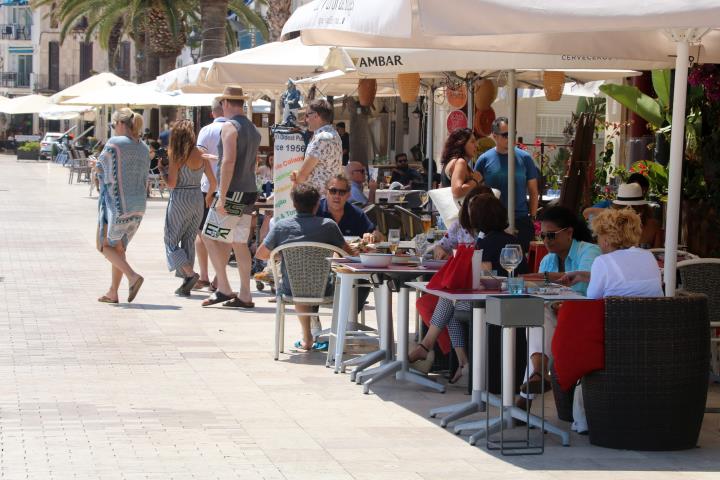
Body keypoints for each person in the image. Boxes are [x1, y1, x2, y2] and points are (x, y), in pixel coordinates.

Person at [409, 192, 528, 387]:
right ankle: (462, 361)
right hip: (509, 298)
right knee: (451, 306)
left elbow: (481, 273)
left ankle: (428, 345)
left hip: (492, 302)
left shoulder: (484, 242)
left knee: (449, 299)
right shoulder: (512, 240)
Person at [560, 208, 663, 433]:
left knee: (569, 339)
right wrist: (586, 274)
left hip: (613, 343)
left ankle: (582, 420)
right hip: (649, 340)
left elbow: (592, 300)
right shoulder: (649, 258)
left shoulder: (602, 262)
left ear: (606, 238)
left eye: (598, 236)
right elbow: (624, 282)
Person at [256, 183, 355, 351]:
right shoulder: (328, 225)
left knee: (298, 280)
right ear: (317, 204)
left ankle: (307, 336)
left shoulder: (282, 227)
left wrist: (286, 254)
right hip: (324, 289)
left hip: (291, 290)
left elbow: (261, 254)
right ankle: (338, 336)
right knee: (324, 280)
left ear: (294, 204)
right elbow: (349, 255)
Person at [519, 205, 601, 406]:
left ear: (569, 232)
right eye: (543, 236)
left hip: (585, 317)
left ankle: (527, 394)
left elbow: (584, 279)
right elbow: (540, 293)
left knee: (538, 316)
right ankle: (539, 373)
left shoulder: (588, 250)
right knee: (537, 312)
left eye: (552, 235)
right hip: (556, 315)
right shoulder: (548, 260)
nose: (546, 241)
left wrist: (542, 278)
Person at [202, 86, 261, 309]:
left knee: (209, 236)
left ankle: (224, 287)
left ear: (226, 103)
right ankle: (245, 294)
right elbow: (247, 160)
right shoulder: (253, 129)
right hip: (248, 190)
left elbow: (229, 162)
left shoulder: (230, 126)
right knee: (239, 242)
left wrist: (222, 196)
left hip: (233, 191)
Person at [95, 108, 150, 304]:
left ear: (120, 124)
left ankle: (132, 276)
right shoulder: (143, 147)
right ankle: (113, 292)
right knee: (118, 249)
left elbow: (100, 168)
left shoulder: (115, 144)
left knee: (104, 246)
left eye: (113, 125)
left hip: (117, 204)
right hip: (138, 206)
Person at [164, 120, 217, 296]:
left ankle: (190, 273)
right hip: (197, 198)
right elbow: (213, 182)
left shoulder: (176, 156)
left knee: (171, 240)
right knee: (188, 240)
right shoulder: (201, 154)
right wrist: (208, 196)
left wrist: (162, 172)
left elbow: (171, 184)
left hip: (180, 197)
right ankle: (187, 282)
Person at [474, 117, 539, 252]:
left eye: (513, 134)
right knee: (492, 261)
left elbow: (533, 190)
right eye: (506, 135)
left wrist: (532, 217)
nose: (510, 138)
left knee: (519, 261)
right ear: (494, 136)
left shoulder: (525, 159)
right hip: (491, 221)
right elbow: (476, 191)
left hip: (520, 219)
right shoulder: (484, 160)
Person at [194, 99, 227, 290]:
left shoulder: (206, 130)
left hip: (207, 186)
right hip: (230, 187)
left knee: (202, 232)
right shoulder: (234, 128)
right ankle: (218, 277)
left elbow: (199, 157)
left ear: (212, 113)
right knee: (224, 234)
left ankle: (204, 274)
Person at [291, 99, 343, 196]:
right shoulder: (335, 135)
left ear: (316, 115)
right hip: (329, 197)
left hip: (316, 200)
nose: (305, 120)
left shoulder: (321, 138)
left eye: (307, 115)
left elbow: (302, 175)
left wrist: (296, 177)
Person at [612, 182, 662, 248]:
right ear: (641, 208)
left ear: (617, 207)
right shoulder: (653, 225)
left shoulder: (611, 226)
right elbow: (658, 253)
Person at [582, 172, 650, 220]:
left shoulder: (645, 211)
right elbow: (587, 212)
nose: (643, 195)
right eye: (640, 191)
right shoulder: (606, 205)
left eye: (644, 192)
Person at [440, 128, 483, 200]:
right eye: (472, 142)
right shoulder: (460, 162)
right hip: (457, 210)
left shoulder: (451, 161)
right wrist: (475, 180)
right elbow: (457, 191)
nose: (476, 145)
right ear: (461, 143)